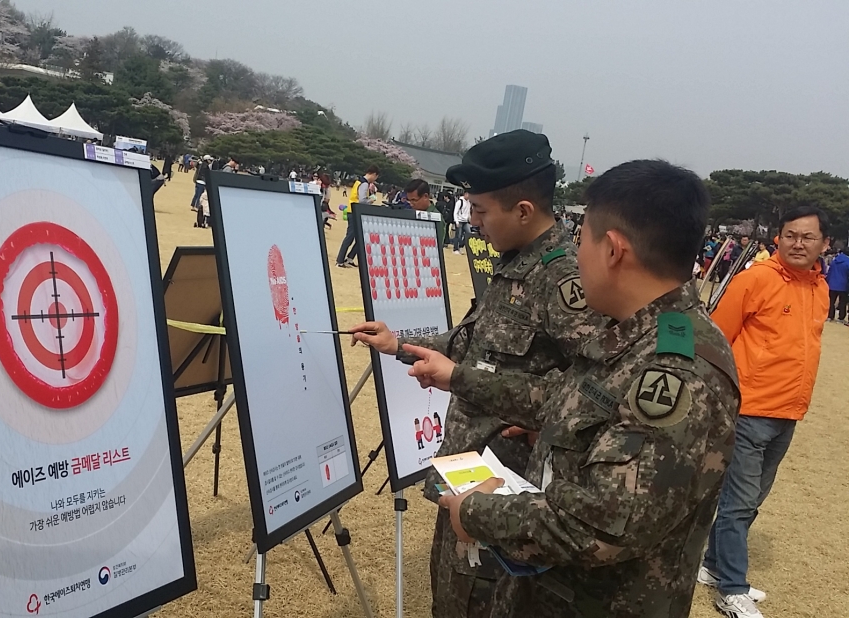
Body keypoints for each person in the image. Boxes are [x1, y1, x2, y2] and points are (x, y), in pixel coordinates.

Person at [413, 159, 741, 618]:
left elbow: (600, 525)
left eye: (581, 237)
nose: (575, 252)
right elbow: (562, 400)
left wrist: (477, 512)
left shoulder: (678, 372)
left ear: (614, 250)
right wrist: (461, 378)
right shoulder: (635, 334)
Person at [351, 130, 596, 618]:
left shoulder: (562, 278)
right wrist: (398, 343)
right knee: (450, 593)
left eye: (480, 210)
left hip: (508, 493)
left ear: (523, 210)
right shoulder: (515, 263)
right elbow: (473, 346)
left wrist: (463, 381)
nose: (473, 221)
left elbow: (587, 392)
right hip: (468, 475)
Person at [698, 206, 830, 618]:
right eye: (790, 235)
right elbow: (716, 338)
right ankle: (732, 588)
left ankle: (713, 565)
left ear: (825, 244)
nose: (798, 243)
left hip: (788, 412)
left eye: (808, 237)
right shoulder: (755, 279)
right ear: (778, 238)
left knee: (752, 499)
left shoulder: (820, 289)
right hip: (749, 411)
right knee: (739, 502)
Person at [336, 165, 379, 268]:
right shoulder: (364, 183)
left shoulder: (359, 181)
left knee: (360, 238)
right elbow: (362, 200)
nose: (375, 180)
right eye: (376, 177)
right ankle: (340, 260)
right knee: (350, 238)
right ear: (374, 174)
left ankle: (349, 258)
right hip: (354, 212)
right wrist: (372, 199)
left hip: (353, 211)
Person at [404, 179, 447, 246]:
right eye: (409, 200)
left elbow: (437, 246)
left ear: (425, 196)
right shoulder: (412, 213)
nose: (411, 204)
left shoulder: (436, 218)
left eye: (414, 200)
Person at [827, 248, 849, 322]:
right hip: (843, 285)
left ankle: (830, 316)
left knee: (831, 301)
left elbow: (829, 272)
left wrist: (828, 281)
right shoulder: (848, 262)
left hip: (832, 284)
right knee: (842, 302)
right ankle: (841, 318)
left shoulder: (834, 261)